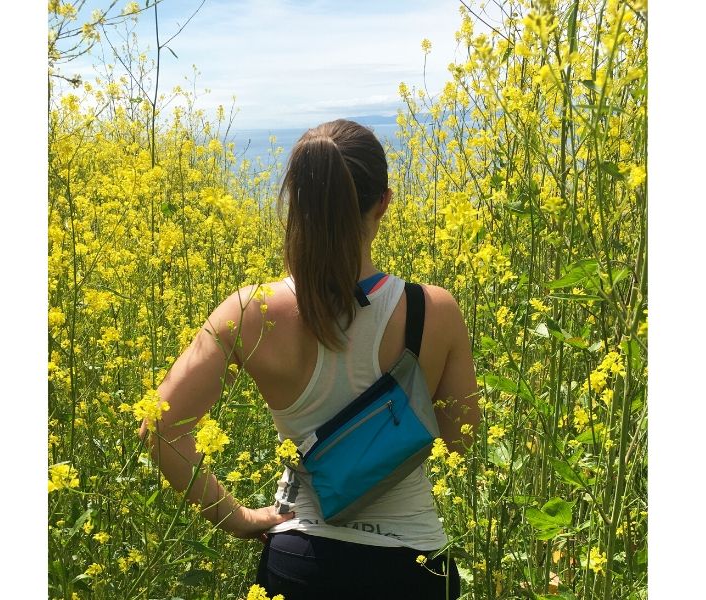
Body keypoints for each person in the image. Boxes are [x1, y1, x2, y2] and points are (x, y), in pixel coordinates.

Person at [139, 119, 479, 599]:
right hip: (413, 563)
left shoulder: (251, 311)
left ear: (296, 205)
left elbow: (160, 426)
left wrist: (239, 519)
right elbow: (457, 438)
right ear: (384, 202)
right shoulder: (435, 311)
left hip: (301, 562)